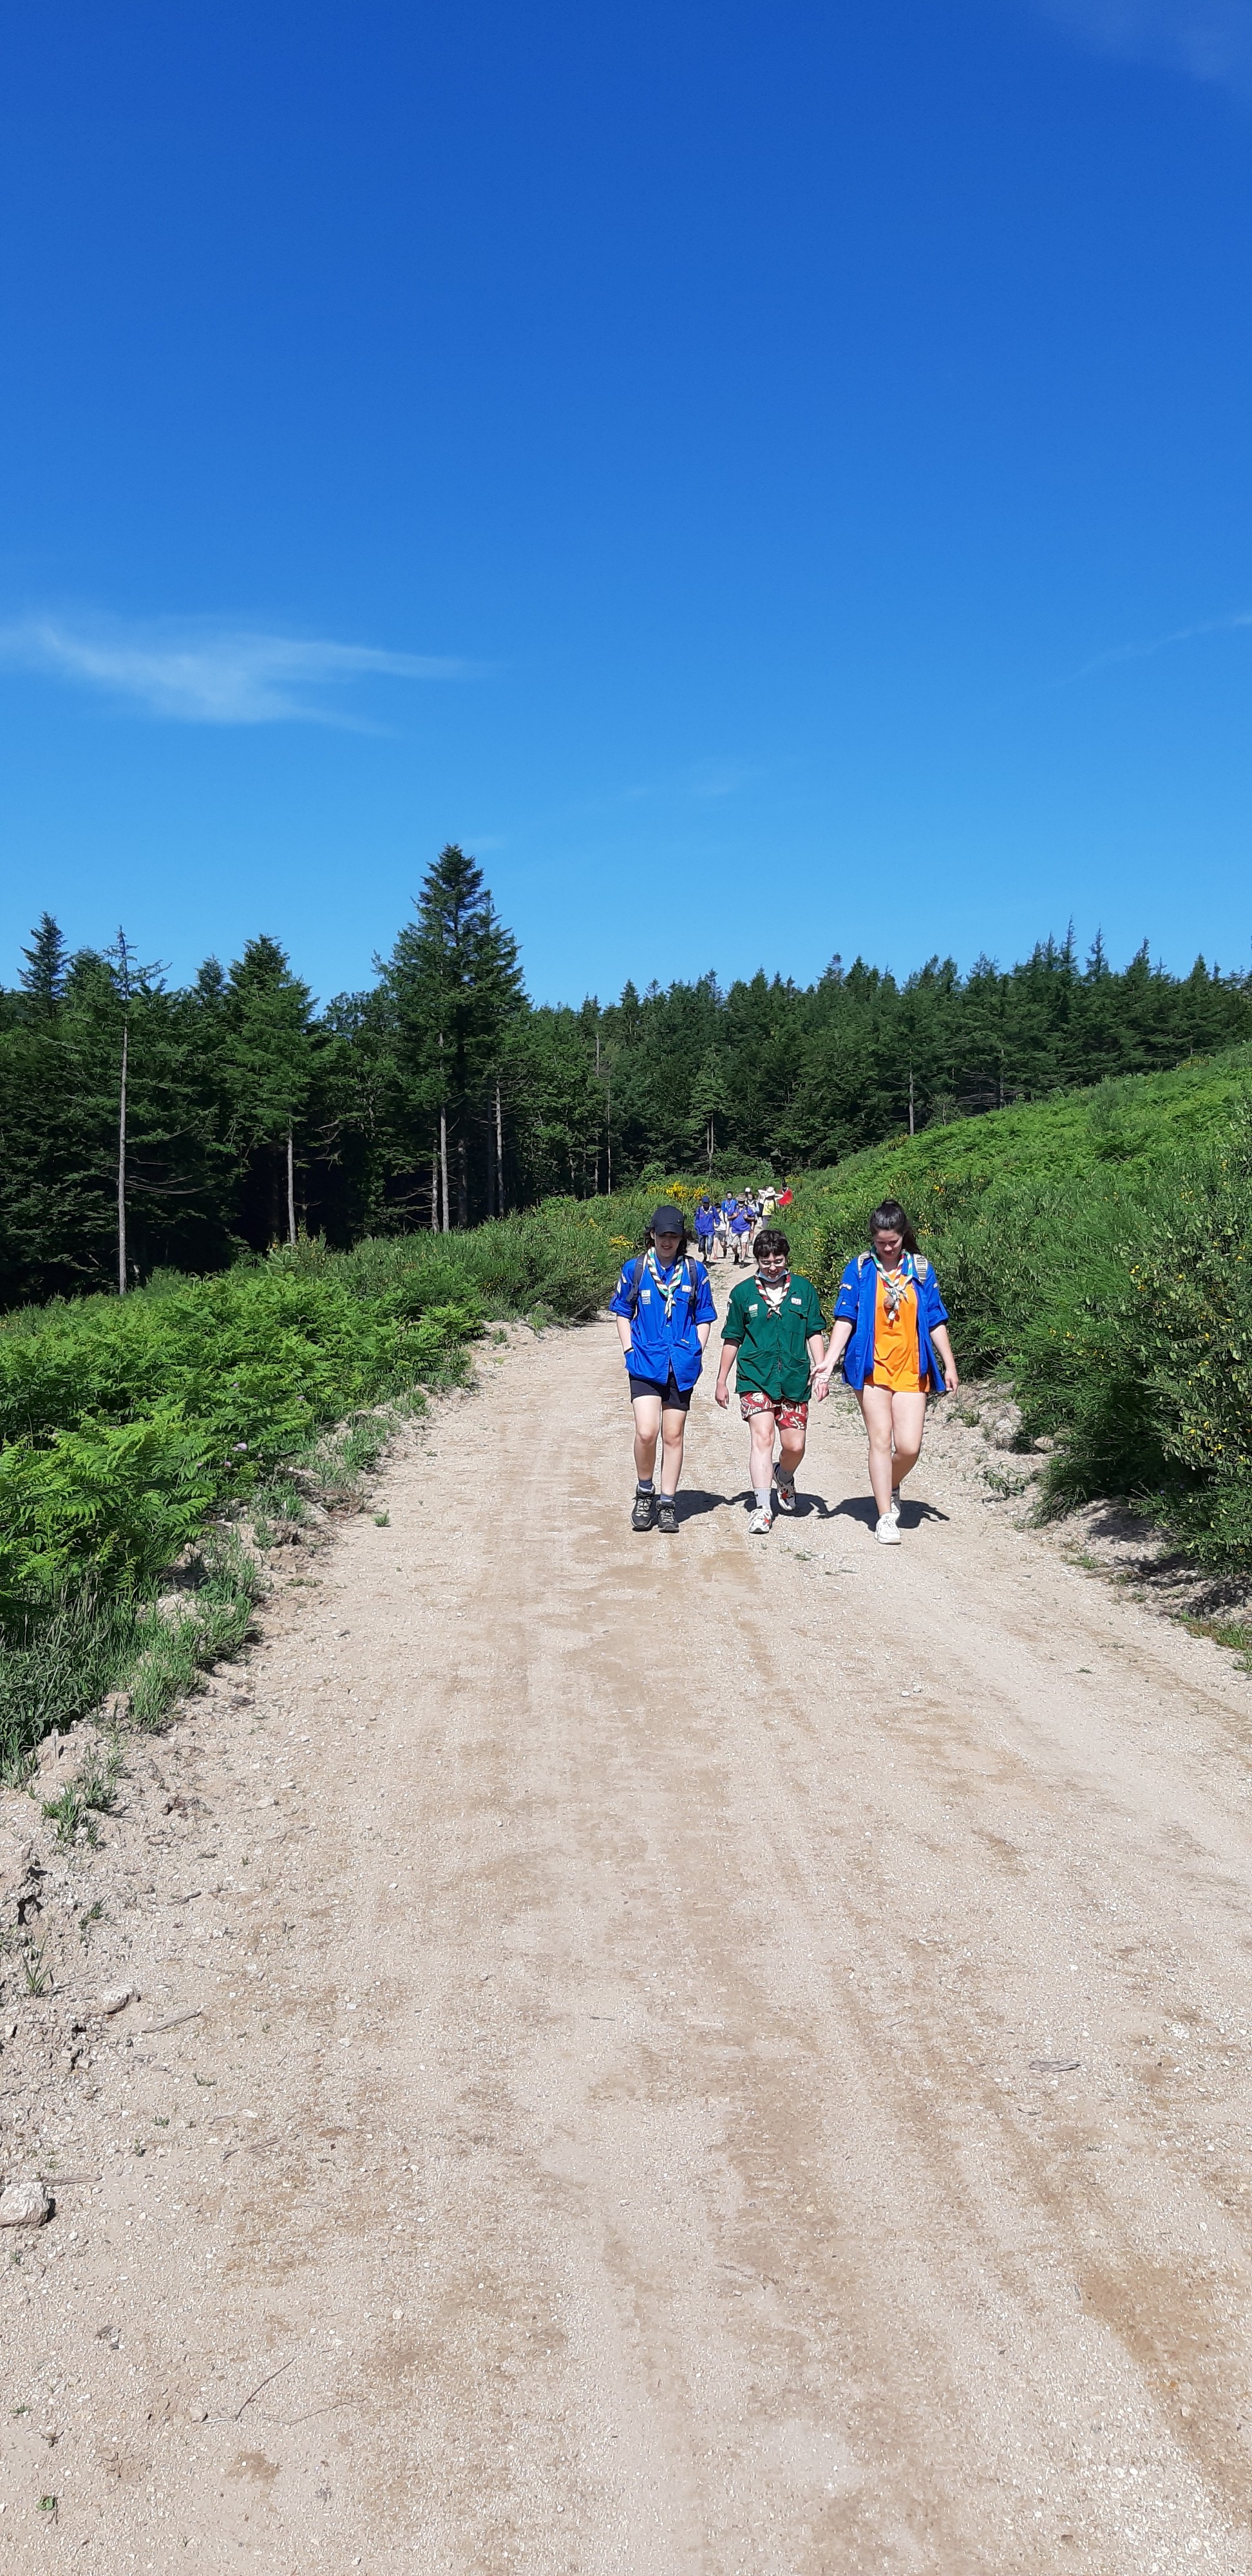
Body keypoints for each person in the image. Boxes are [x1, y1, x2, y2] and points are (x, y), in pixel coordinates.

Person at [812, 1198, 958, 1546]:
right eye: (880, 1242)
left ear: (904, 1235)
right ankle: (885, 1515)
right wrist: (830, 1360)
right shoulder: (861, 1269)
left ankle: (890, 1482)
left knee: (908, 1447)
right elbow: (845, 1317)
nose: (887, 1248)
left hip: (912, 1367)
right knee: (880, 1440)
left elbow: (936, 1319)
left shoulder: (920, 1269)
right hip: (871, 1368)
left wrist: (948, 1363)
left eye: (892, 1241)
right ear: (873, 1239)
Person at [611, 1203, 716, 1535]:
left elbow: (704, 1315)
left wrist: (696, 1349)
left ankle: (668, 1502)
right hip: (644, 1360)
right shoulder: (636, 1269)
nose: (668, 1242)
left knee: (673, 1435)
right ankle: (645, 1491)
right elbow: (622, 1311)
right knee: (646, 1431)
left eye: (674, 1236)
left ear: (682, 1238)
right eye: (662, 1235)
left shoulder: (695, 1271)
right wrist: (629, 1348)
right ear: (652, 1235)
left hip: (680, 1364)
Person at [715, 1229, 828, 1533]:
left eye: (778, 1260)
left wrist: (822, 1370)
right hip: (755, 1376)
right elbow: (732, 1337)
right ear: (758, 1260)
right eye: (766, 1262)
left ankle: (785, 1475)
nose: (773, 1266)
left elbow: (814, 1331)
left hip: (794, 1377)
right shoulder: (743, 1294)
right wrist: (721, 1380)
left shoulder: (804, 1289)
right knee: (762, 1438)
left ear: (786, 1258)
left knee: (795, 1445)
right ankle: (763, 1507)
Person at [728, 1198, 755, 1265]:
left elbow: (754, 1218)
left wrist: (748, 1218)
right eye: (740, 1201)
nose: (741, 1203)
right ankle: (736, 1255)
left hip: (745, 1229)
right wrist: (733, 1216)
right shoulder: (734, 1208)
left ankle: (742, 1261)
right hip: (735, 1229)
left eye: (742, 1201)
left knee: (744, 1245)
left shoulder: (748, 1209)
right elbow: (728, 1218)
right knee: (734, 1246)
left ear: (744, 1201)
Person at [694, 1194, 717, 1262]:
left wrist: (717, 1223)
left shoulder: (713, 1209)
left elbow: (717, 1218)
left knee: (710, 1243)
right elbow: (697, 1219)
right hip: (701, 1230)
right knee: (701, 1246)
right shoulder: (699, 1210)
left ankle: (708, 1258)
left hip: (710, 1230)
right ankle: (705, 1255)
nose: (706, 1204)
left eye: (707, 1203)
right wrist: (696, 1227)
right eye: (705, 1203)